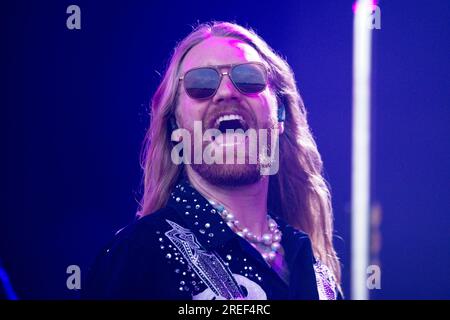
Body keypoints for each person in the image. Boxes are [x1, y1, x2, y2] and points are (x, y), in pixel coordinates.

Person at [84, 21, 342, 300]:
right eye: (201, 83)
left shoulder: (315, 269)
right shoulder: (137, 255)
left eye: (248, 78)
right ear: (175, 127)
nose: (226, 92)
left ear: (279, 114)